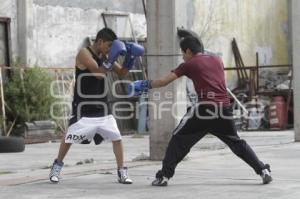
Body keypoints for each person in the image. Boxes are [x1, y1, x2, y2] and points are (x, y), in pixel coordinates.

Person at [129, 35, 272, 186]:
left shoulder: (188, 64)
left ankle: (164, 176)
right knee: (237, 143)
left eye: (183, 53)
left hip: (205, 109)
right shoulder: (217, 59)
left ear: (189, 51)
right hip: (224, 109)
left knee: (178, 138)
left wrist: (144, 84)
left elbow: (164, 81)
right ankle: (263, 170)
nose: (183, 57)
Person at [49, 27, 144, 184]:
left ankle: (122, 172)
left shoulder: (105, 55)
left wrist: (130, 59)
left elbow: (122, 73)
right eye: (108, 46)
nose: (110, 50)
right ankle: (56, 167)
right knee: (69, 137)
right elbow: (99, 74)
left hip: (102, 105)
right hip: (83, 105)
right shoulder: (84, 53)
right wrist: (111, 58)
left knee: (117, 137)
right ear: (99, 41)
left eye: (111, 48)